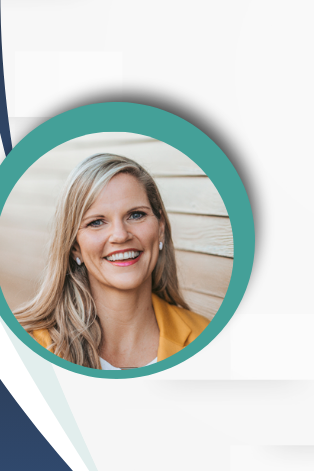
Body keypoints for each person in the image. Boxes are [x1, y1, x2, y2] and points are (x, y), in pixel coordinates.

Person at [15, 153, 209, 370]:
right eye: (97, 222)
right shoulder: (27, 346)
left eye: (135, 215)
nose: (120, 235)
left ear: (161, 228)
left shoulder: (206, 337)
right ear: (74, 247)